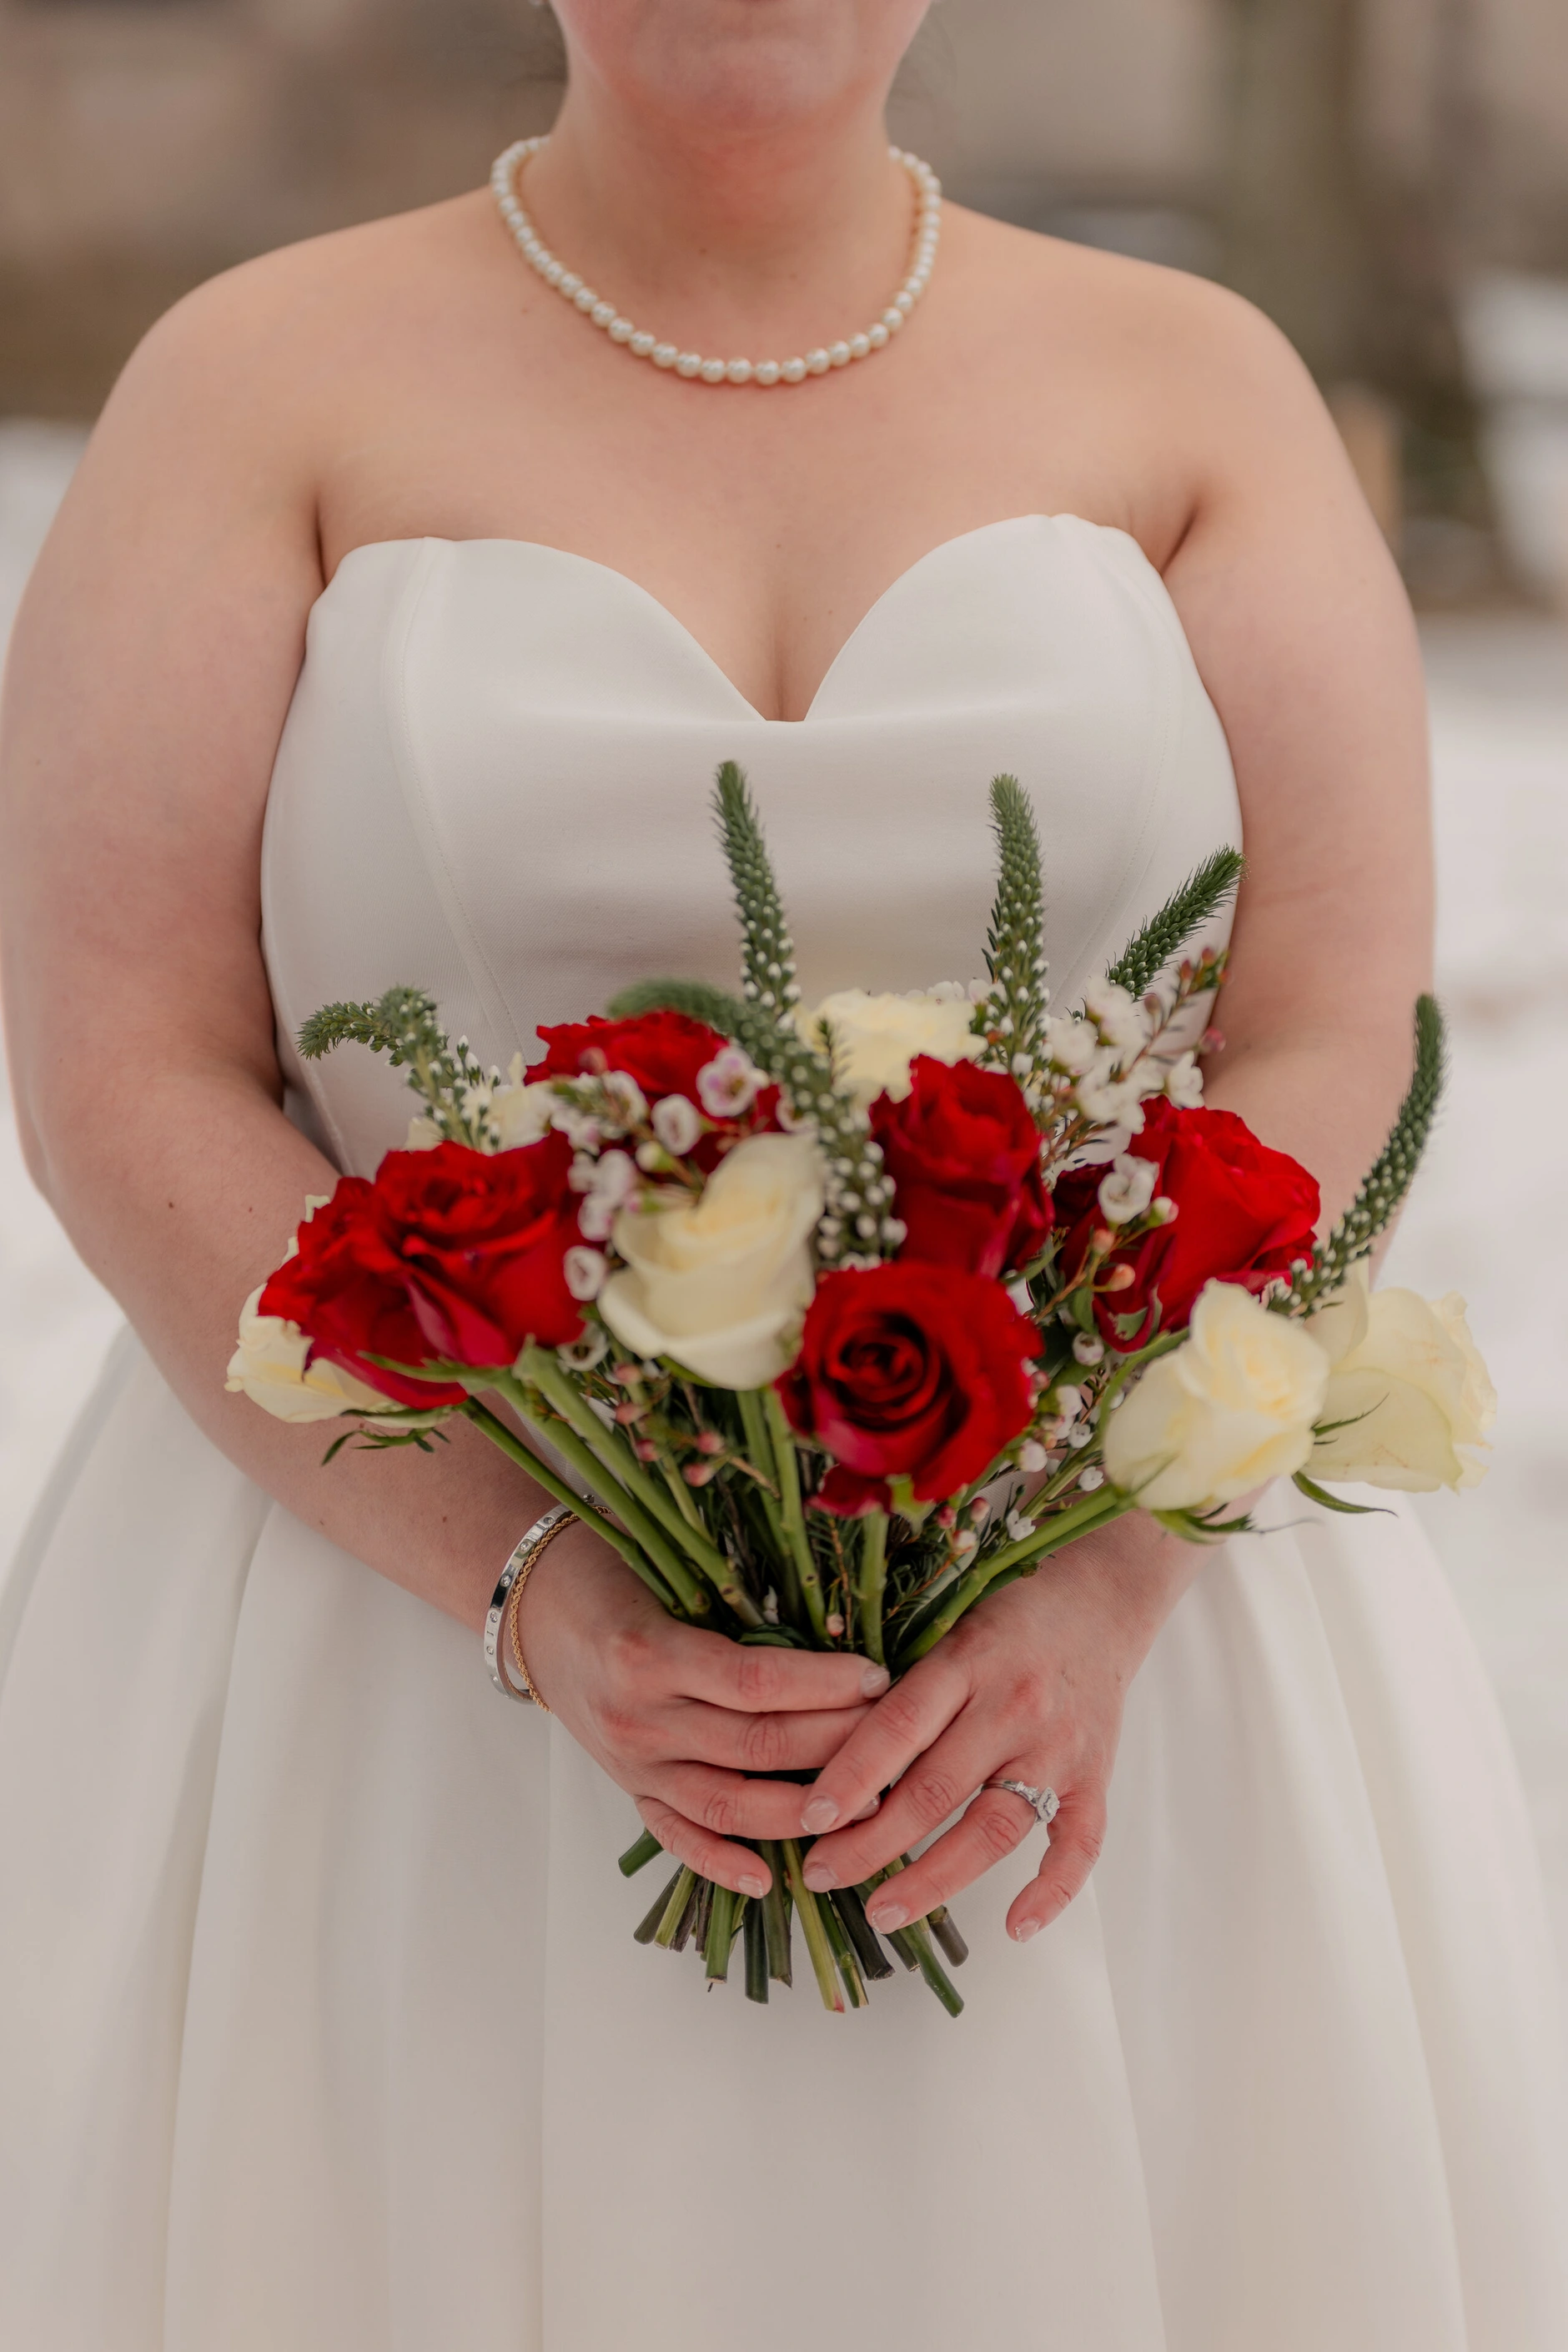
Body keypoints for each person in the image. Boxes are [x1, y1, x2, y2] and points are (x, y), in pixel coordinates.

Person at [0, 4, 1563, 2346]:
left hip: (1093, 1680)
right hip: (393, 1657)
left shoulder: (1196, 384)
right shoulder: (254, 381)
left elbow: (1340, 1018)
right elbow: (125, 1048)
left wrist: (1109, 1569)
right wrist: (527, 1575)